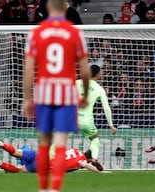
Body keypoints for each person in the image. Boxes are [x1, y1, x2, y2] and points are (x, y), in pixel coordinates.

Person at [23, 0, 90, 191]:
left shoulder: (36, 32)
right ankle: (55, 189)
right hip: (67, 95)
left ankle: (43, 188)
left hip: (44, 93)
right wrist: (84, 93)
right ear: (66, 8)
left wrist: (27, 98)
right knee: (60, 144)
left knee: (44, 144)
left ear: (48, 8)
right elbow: (84, 71)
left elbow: (28, 69)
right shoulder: (75, 32)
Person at [0, 141, 109, 173]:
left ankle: (1, 144)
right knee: (20, 169)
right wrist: (99, 172)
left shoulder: (74, 150)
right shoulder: (81, 160)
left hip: (43, 154)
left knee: (15, 151)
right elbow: (86, 165)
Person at [76, 65, 117, 160]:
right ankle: (93, 161)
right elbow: (106, 108)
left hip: (71, 119)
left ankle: (50, 160)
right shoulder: (99, 89)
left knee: (60, 140)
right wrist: (111, 125)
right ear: (98, 75)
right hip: (86, 121)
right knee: (95, 139)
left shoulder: (76, 83)